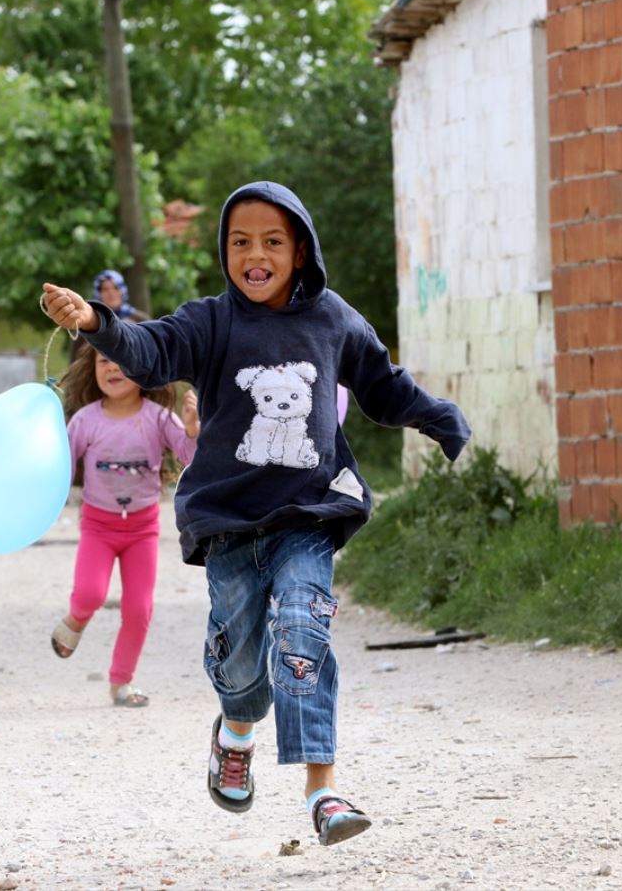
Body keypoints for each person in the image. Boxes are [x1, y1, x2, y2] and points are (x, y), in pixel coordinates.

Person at [41, 181, 469, 846]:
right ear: (225, 251)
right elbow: (151, 349)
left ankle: (322, 791)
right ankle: (235, 731)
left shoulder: (333, 320)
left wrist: (437, 418)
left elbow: (383, 386)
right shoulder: (212, 322)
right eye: (240, 242)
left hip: (308, 514)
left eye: (272, 241)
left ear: (299, 250)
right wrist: (98, 323)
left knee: (304, 638)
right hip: (231, 524)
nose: (255, 255)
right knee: (242, 666)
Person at [49, 345, 199, 708]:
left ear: (142, 369)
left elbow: (189, 457)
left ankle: (121, 682)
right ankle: (75, 620)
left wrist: (193, 430)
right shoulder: (85, 420)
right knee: (89, 594)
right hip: (98, 526)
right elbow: (62, 471)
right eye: (104, 362)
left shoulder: (159, 418)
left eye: (121, 362)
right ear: (92, 369)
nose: (112, 369)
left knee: (139, 609)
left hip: (143, 528)